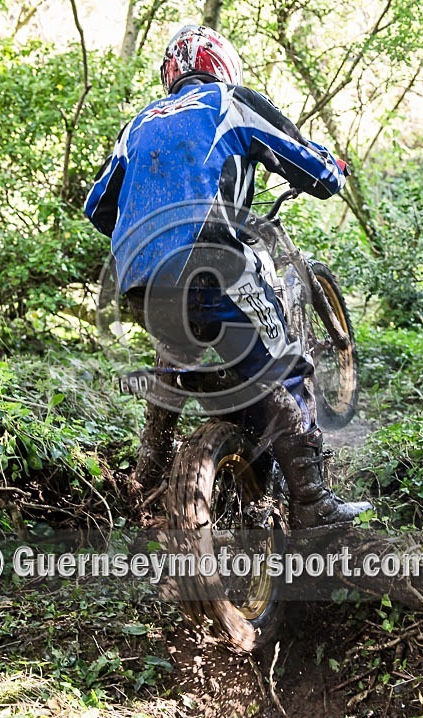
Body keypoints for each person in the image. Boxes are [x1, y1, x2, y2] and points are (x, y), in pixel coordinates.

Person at [85, 24, 371, 530]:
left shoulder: (138, 123)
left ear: (171, 74)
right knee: (285, 369)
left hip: (137, 281)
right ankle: (314, 504)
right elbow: (310, 167)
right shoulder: (231, 101)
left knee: (176, 358)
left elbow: (97, 207)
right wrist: (330, 167)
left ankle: (145, 481)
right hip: (212, 266)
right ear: (220, 64)